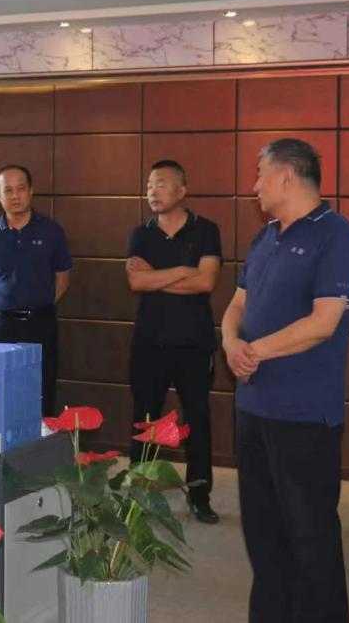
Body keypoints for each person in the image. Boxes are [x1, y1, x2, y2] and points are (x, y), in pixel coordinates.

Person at [221, 138, 349, 623]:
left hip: (304, 416)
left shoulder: (336, 235)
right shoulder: (264, 238)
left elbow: (324, 322)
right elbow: (236, 305)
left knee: (311, 539)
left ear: (286, 176)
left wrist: (254, 351)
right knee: (263, 538)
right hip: (253, 410)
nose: (254, 186)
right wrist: (230, 342)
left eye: (260, 174)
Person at [125, 160, 223, 524]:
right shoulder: (141, 234)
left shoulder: (206, 230)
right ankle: (138, 495)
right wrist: (184, 271)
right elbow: (137, 283)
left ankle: (199, 496)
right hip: (149, 342)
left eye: (161, 184)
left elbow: (206, 282)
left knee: (197, 420)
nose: (152, 191)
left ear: (182, 190)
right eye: (149, 184)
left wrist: (158, 277)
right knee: (144, 421)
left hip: (194, 343)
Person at [0, 165, 71, 416]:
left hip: (40, 324)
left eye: (21, 189)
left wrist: (38, 304)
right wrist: (3, 304)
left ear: (31, 191)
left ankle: (39, 440)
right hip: (0, 326)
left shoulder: (51, 231)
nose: (15, 196)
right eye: (8, 190)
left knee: (41, 394)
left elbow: (62, 278)